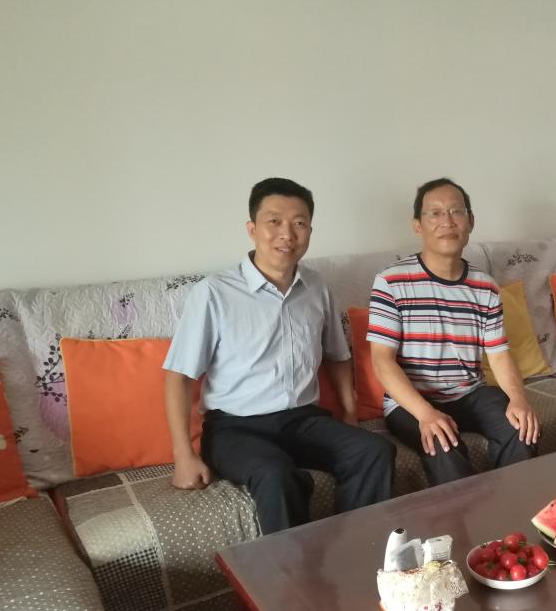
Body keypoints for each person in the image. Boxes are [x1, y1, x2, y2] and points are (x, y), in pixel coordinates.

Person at [162, 177, 395, 534]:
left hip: (303, 419)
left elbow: (337, 356)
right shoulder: (213, 293)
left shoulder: (317, 287)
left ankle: (356, 551)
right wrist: (183, 455)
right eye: (274, 221)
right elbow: (179, 376)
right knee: (275, 473)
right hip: (235, 428)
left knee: (372, 450)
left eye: (299, 223)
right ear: (252, 229)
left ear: (309, 231)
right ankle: (293, 570)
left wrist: (349, 414)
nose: (287, 234)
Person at [368, 177, 539, 486]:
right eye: (435, 213)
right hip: (412, 401)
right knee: (443, 444)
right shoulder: (391, 282)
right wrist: (425, 414)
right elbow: (382, 361)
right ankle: (471, 519)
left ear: (470, 221)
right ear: (417, 226)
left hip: (470, 393)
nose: (447, 221)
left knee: (521, 428)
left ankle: (516, 511)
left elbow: (499, 356)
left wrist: (518, 399)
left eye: (456, 211)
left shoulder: (485, 287)